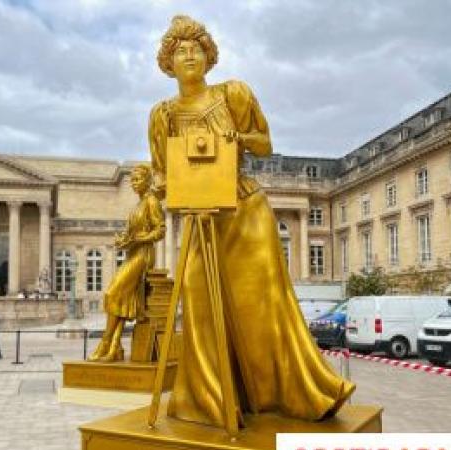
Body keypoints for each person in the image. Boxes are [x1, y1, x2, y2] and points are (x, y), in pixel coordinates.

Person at [147, 16, 354, 428]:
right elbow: (160, 172)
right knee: (200, 303)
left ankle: (285, 396)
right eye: (180, 51)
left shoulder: (233, 94)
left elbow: (264, 141)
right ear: (168, 62)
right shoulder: (162, 115)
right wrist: (162, 187)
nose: (189, 56)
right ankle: (211, 401)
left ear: (209, 57)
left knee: (261, 307)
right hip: (199, 216)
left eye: (196, 49)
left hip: (244, 210)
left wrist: (234, 142)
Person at [87, 164, 165, 362]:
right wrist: (124, 240)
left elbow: (160, 230)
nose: (133, 184)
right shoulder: (137, 206)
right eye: (132, 181)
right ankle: (115, 347)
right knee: (121, 298)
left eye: (137, 180)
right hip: (133, 252)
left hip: (144, 254)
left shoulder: (152, 201)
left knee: (112, 293)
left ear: (147, 180)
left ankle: (105, 342)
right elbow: (132, 233)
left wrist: (140, 239)